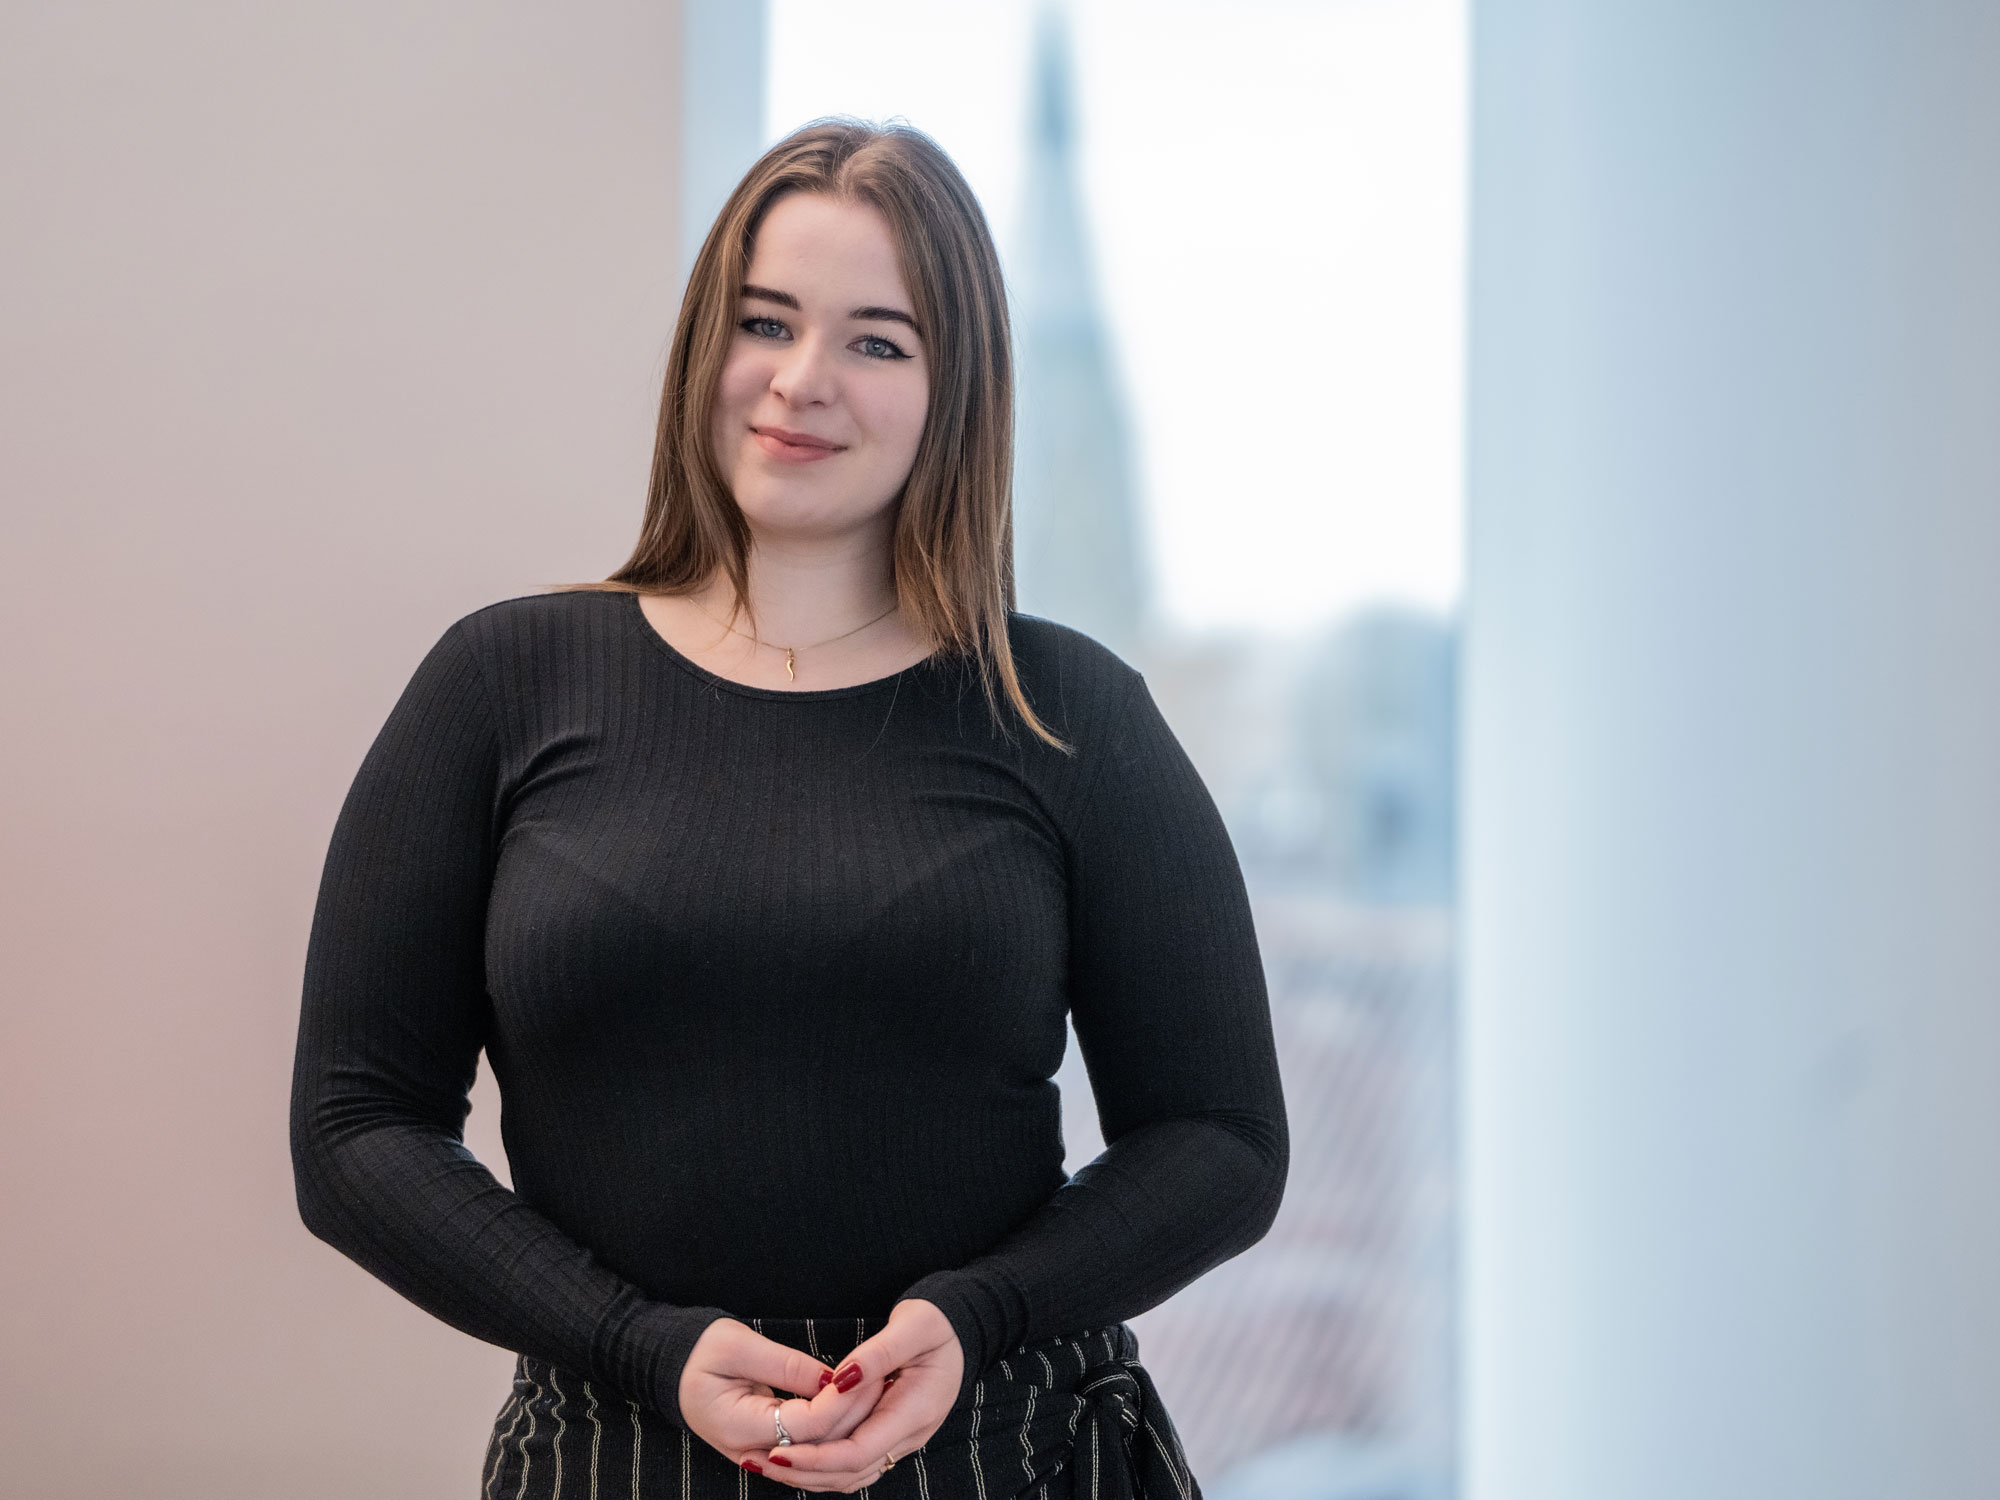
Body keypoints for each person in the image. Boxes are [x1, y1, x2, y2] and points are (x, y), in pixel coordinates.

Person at [289, 118, 1288, 1499]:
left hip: (1001, 1451)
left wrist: (974, 1317)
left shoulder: (1071, 711)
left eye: (880, 341)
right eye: (768, 321)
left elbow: (1222, 1141)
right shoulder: (501, 682)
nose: (803, 381)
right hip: (612, 1449)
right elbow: (356, 1128)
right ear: (710, 341)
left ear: (957, 393)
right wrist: (635, 1344)